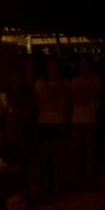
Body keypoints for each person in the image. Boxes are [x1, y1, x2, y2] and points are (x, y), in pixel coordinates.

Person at [35, 57, 70, 196]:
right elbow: (40, 101)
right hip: (44, 122)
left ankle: (58, 184)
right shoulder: (40, 83)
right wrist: (49, 94)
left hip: (58, 121)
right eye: (50, 66)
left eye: (55, 66)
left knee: (58, 154)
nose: (53, 69)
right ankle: (47, 184)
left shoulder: (65, 83)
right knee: (45, 154)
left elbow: (65, 100)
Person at [70, 57, 102, 185]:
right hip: (77, 119)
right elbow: (75, 99)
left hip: (90, 118)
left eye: (86, 64)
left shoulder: (96, 80)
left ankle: (89, 179)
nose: (84, 67)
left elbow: (94, 96)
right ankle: (79, 179)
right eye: (82, 64)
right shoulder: (74, 81)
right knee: (78, 151)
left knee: (90, 151)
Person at [0, 122, 28, 210]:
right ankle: (13, 201)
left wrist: (0, 170)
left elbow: (20, 166)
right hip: (2, 185)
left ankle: (20, 198)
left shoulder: (10, 147)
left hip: (13, 183)